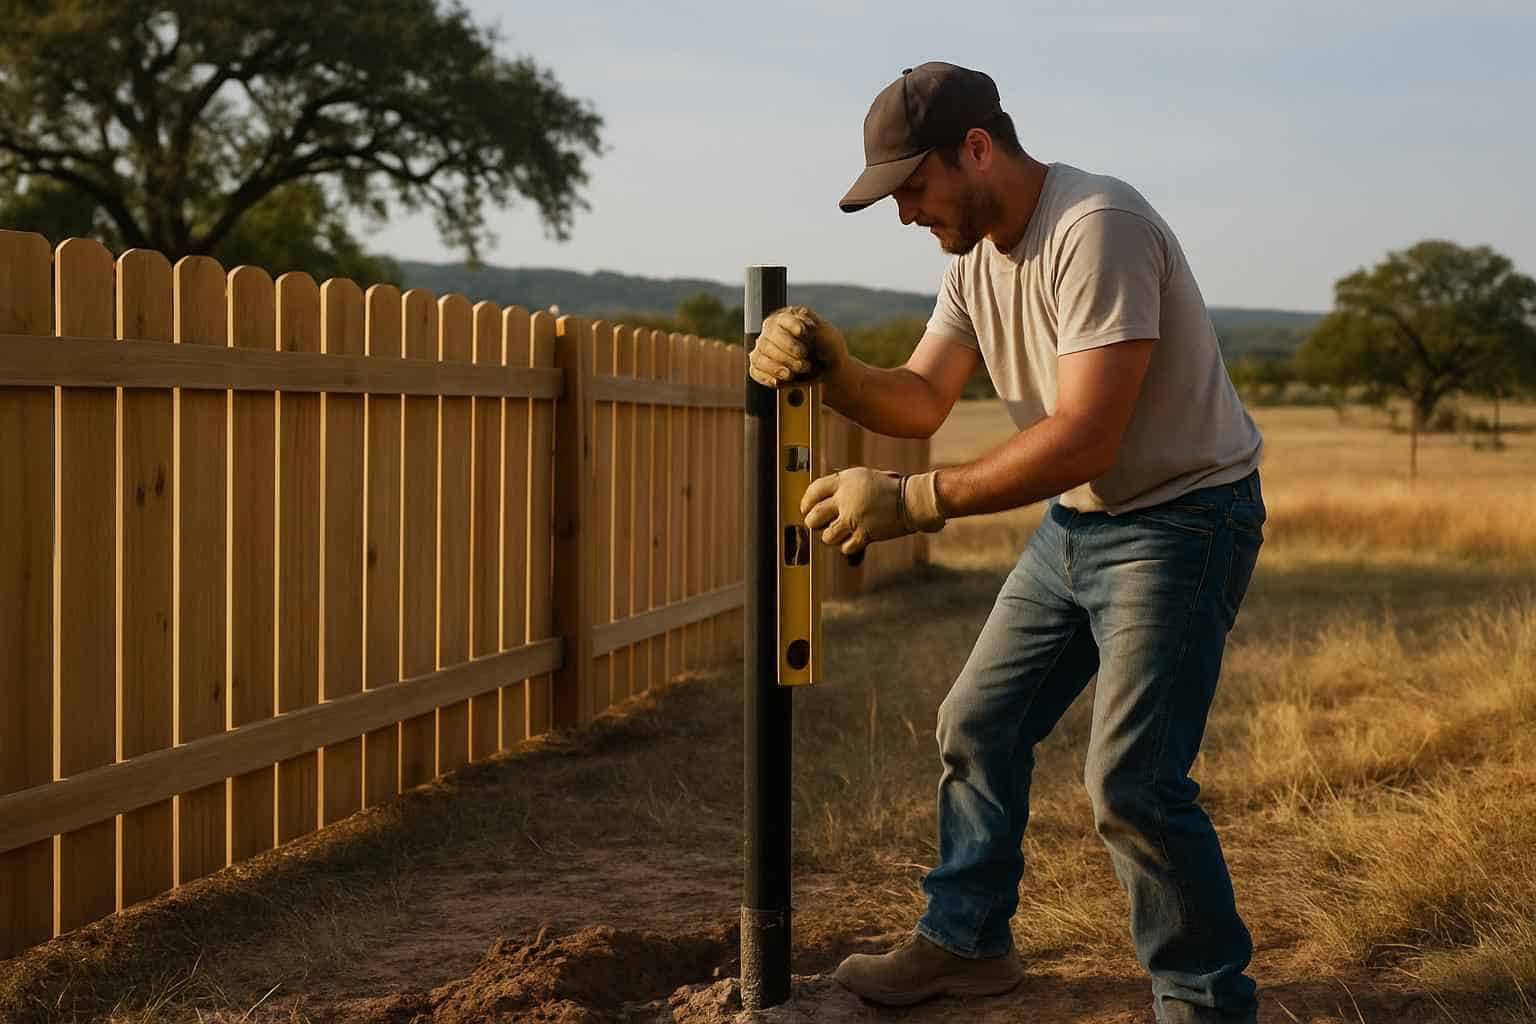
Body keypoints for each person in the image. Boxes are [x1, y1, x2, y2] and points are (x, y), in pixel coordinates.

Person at [748, 62, 1265, 1024]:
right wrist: (835, 367)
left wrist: (912, 501)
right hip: (1081, 521)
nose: (907, 213)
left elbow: (1087, 434)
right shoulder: (973, 261)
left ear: (976, 149)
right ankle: (968, 946)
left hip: (1184, 521)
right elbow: (921, 398)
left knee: (1135, 784)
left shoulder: (1097, 225)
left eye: (914, 186)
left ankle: (1202, 1002)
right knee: (977, 723)